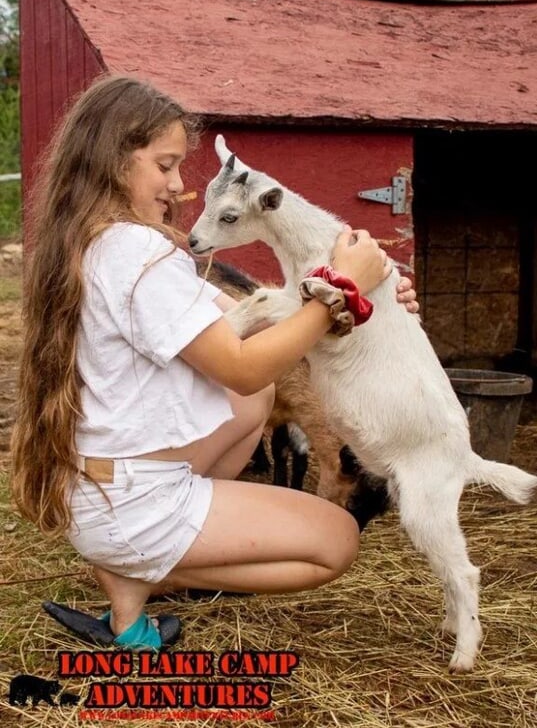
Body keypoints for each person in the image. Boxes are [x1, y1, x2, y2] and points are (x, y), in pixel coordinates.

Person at [11, 74, 419, 651]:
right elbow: (246, 366)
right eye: (166, 165)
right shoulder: (137, 252)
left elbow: (257, 312)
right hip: (133, 501)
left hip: (102, 485)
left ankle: (127, 619)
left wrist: (368, 300)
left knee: (253, 405)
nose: (179, 186)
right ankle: (146, 569)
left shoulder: (97, 240)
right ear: (113, 159)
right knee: (337, 542)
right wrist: (345, 292)